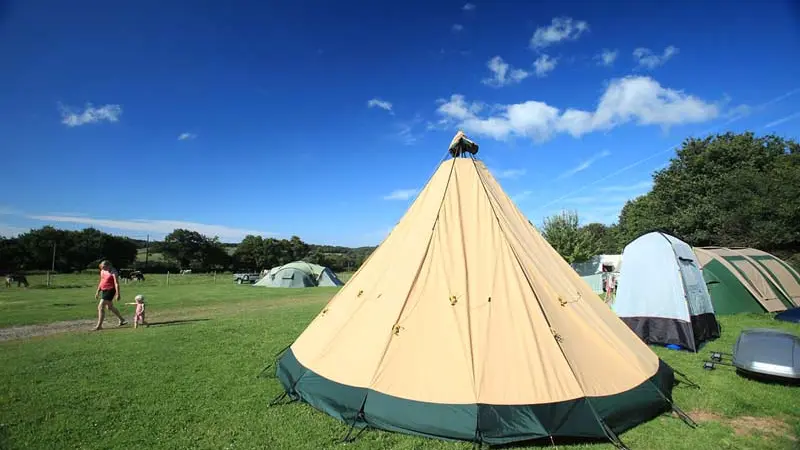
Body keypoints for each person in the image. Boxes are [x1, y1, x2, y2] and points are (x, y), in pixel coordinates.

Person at [94, 260, 127, 330]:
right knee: (109, 307)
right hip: (104, 289)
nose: (103, 269)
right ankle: (121, 319)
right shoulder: (102, 271)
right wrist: (97, 291)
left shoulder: (114, 272)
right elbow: (101, 281)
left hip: (111, 290)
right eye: (102, 267)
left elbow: (116, 283)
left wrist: (118, 294)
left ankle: (99, 326)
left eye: (104, 267)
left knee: (100, 306)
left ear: (109, 266)